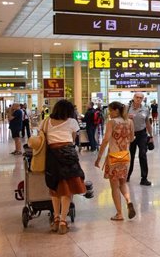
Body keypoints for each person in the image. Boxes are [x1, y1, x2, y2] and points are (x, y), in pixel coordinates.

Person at [42, 100, 86, 234]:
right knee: (68, 190)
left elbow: (43, 138)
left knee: (54, 188)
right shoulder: (72, 122)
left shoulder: (46, 122)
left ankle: (55, 219)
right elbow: (73, 139)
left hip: (52, 157)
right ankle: (62, 221)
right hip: (68, 157)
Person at [95, 102, 136, 221]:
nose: (109, 113)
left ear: (116, 111)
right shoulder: (130, 122)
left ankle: (119, 214)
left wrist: (99, 157)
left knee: (114, 187)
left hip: (113, 157)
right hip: (125, 156)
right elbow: (132, 138)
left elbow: (106, 139)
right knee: (123, 183)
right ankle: (129, 201)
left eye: (110, 110)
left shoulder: (111, 122)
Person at [127, 92, 153, 186]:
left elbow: (147, 123)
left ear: (142, 99)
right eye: (137, 97)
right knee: (131, 156)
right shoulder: (127, 109)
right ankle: (127, 175)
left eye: (140, 98)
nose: (138, 99)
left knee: (142, 154)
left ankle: (144, 178)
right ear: (133, 98)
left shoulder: (145, 110)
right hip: (130, 134)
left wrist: (151, 136)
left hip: (142, 134)